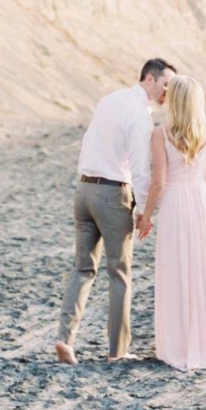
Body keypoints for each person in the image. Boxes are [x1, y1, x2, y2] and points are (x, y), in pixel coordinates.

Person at [54, 58, 176, 365]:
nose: (168, 93)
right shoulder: (140, 115)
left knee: (83, 269)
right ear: (149, 79)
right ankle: (118, 351)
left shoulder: (109, 100)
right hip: (112, 194)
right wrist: (145, 212)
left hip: (83, 190)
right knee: (119, 273)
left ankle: (64, 339)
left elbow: (90, 141)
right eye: (166, 85)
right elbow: (139, 168)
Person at [138, 75, 206, 370]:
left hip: (175, 206)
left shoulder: (161, 133)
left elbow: (158, 182)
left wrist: (146, 217)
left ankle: (179, 346)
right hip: (205, 204)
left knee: (177, 273)